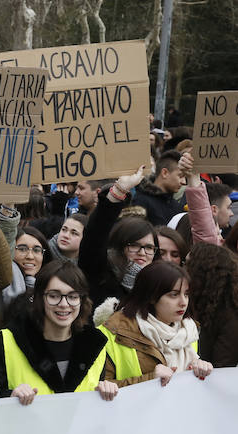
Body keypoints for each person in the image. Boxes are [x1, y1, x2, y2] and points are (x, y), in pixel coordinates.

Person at [0, 261, 118, 404]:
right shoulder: (5, 341)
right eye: (54, 296)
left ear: (82, 300)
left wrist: (105, 392)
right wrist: (10, 396)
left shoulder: (95, 344)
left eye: (72, 296)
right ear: (40, 298)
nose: (64, 304)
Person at [96, 261, 213, 387]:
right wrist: (150, 379)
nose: (183, 302)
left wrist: (201, 370)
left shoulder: (190, 330)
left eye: (186, 294)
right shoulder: (111, 331)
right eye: (174, 295)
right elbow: (96, 388)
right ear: (151, 297)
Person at [79, 167, 155, 305]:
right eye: (134, 245)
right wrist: (118, 192)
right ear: (120, 245)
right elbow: (95, 236)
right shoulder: (102, 273)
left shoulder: (159, 286)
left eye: (149, 247)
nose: (142, 253)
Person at [185, 243, 238, 367]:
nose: (182, 270)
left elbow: (222, 368)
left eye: (187, 264)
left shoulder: (230, 318)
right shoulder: (202, 304)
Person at [132, 150, 185, 226]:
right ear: (164, 173)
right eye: (180, 176)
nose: (184, 182)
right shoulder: (141, 202)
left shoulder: (178, 207)